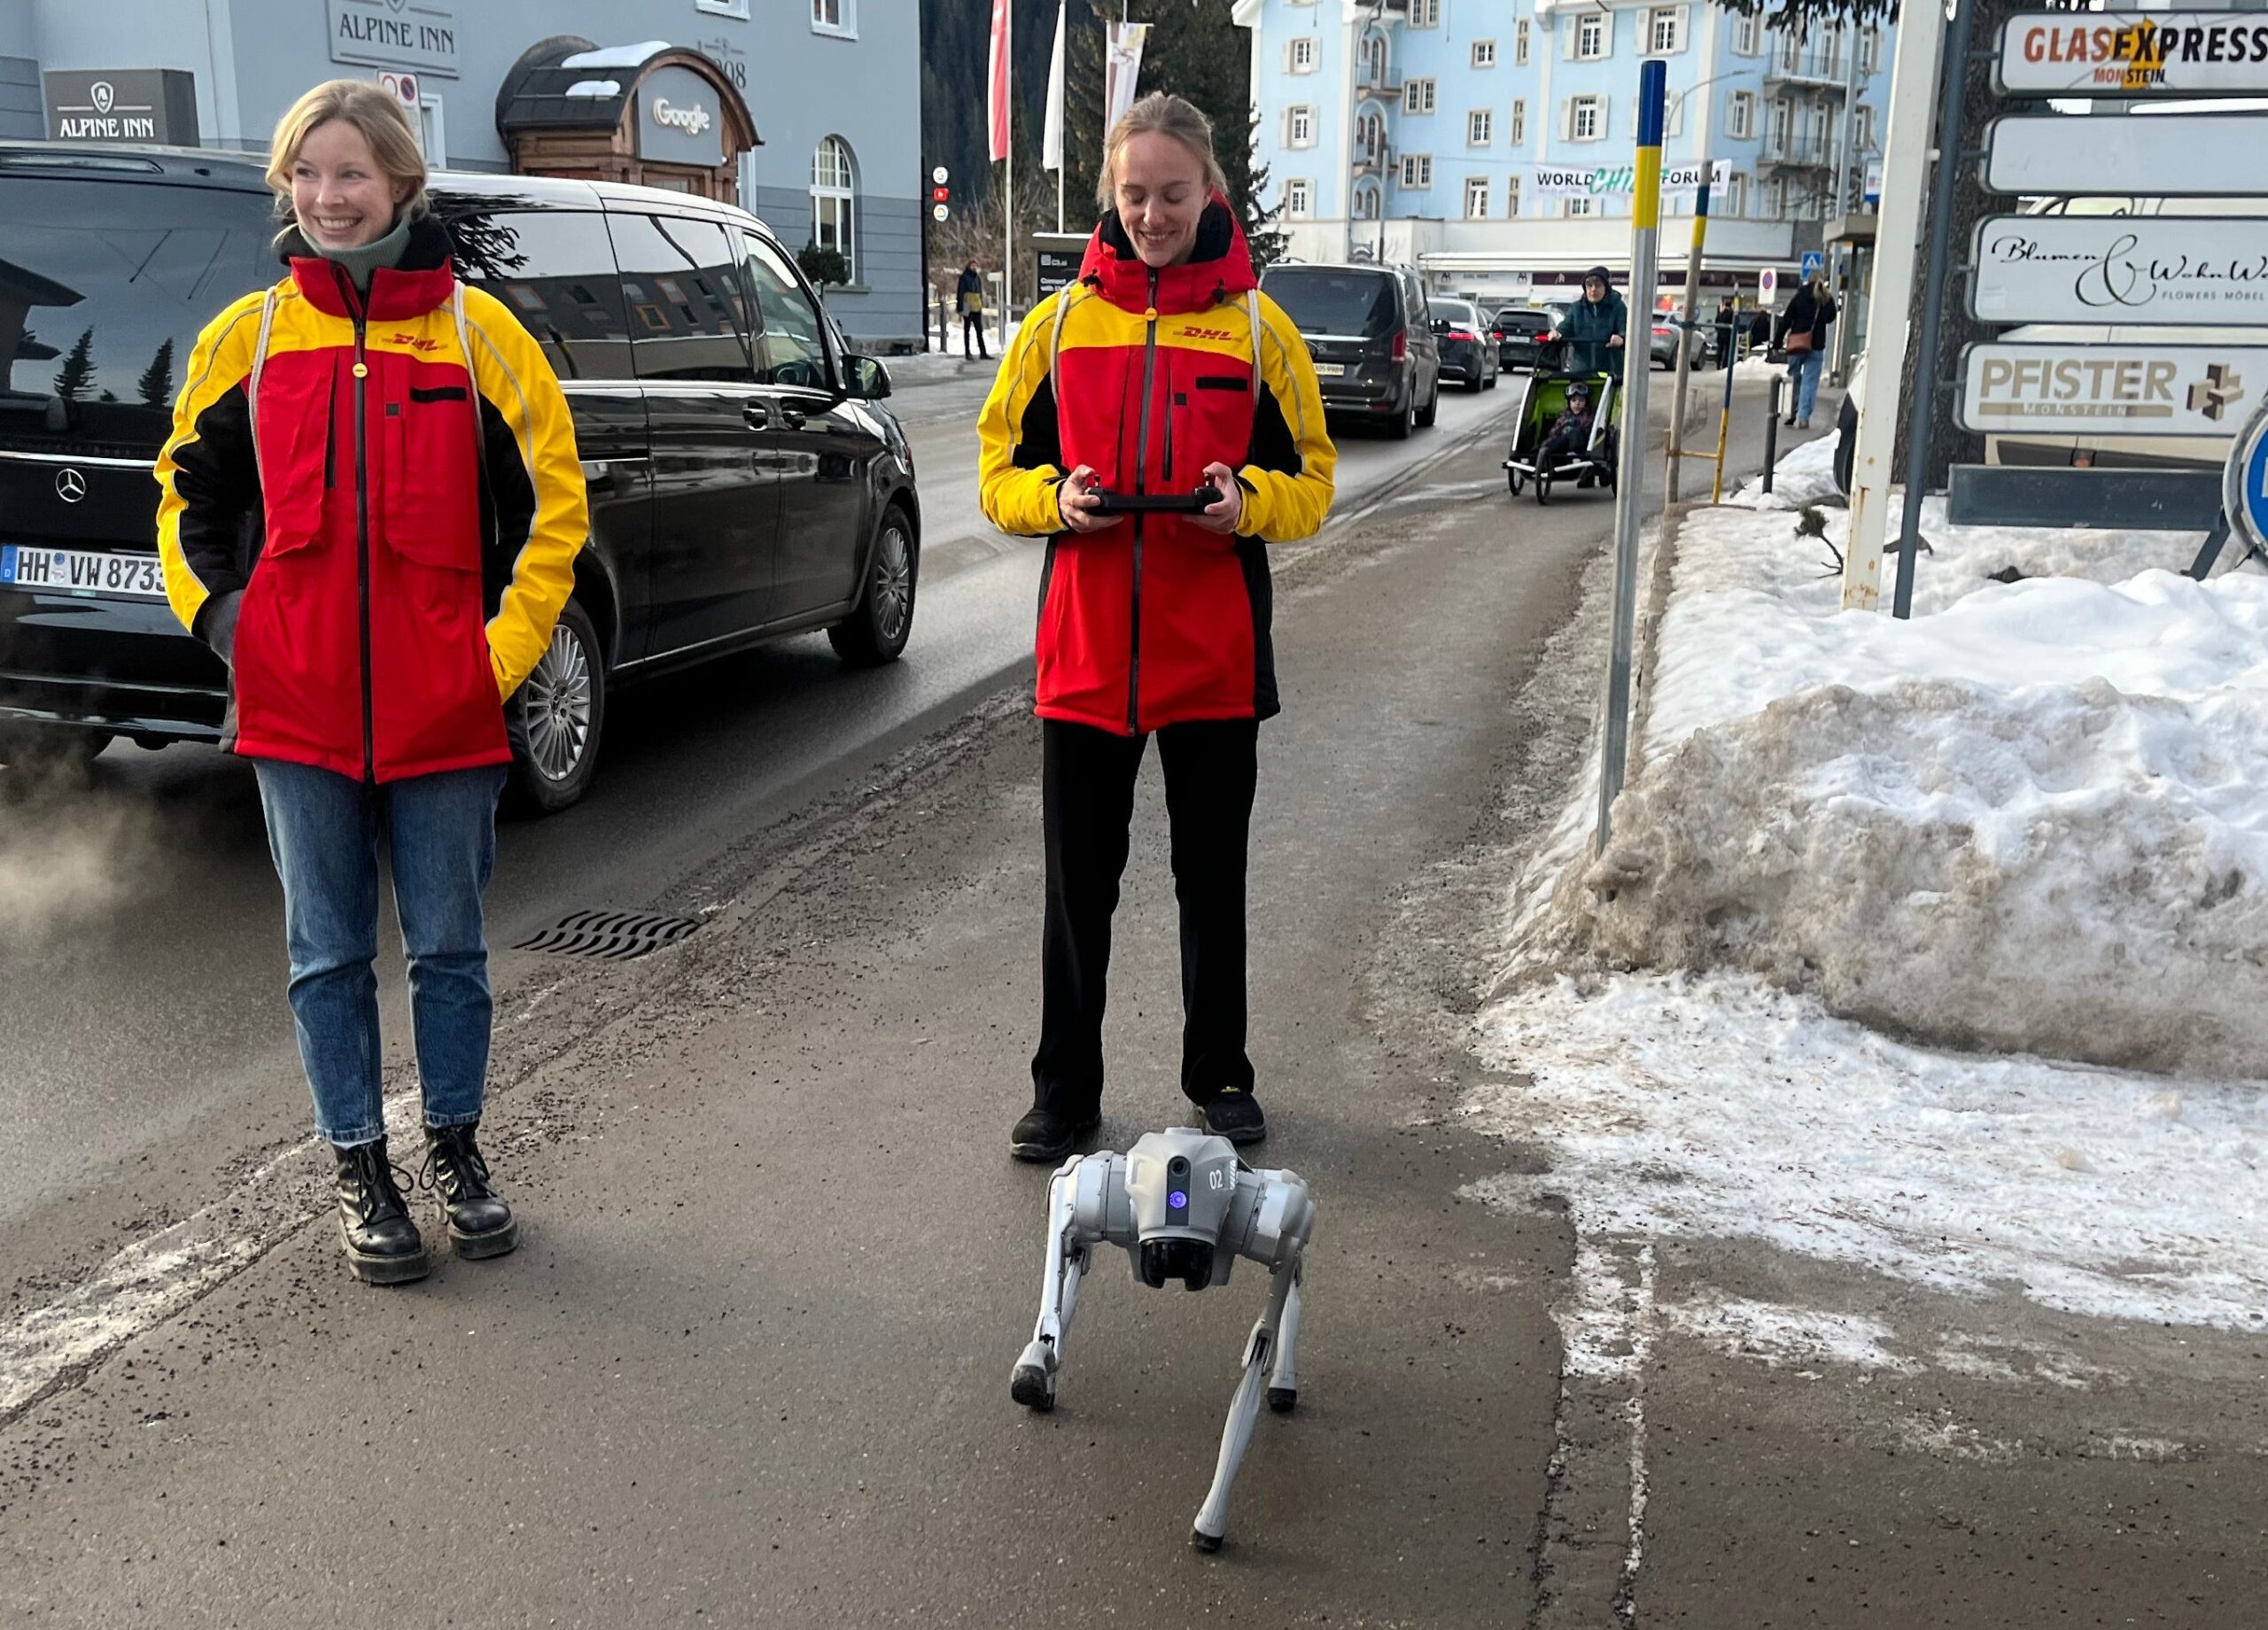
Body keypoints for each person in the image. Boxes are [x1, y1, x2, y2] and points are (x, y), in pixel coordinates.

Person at [154, 81, 587, 1285]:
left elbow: (555, 513)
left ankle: (455, 1148)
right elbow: (183, 498)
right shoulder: (250, 339)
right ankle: (360, 1165)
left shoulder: (475, 336)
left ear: (400, 182)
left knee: (449, 949)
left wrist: (493, 663)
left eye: (349, 174)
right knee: (325, 955)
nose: (327, 198)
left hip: (443, 711)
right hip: (297, 714)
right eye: (306, 174)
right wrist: (234, 627)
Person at [977, 91, 1336, 1162]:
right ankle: (1064, 1090)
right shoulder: (1055, 326)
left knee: (1209, 879)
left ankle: (1219, 1074)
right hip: (1086, 657)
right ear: (1110, 195)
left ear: (1209, 192)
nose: (1151, 213)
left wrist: (1247, 504)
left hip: (1213, 657)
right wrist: (1055, 499)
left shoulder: (1259, 329)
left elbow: (1312, 480)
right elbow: (998, 472)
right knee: (1077, 888)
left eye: (1171, 193)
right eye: (1132, 194)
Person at [1778, 274, 1838, 430]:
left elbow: (1787, 319)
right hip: (1817, 345)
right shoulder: (1826, 298)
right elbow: (1831, 317)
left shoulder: (1800, 295)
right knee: (1809, 383)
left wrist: (1777, 342)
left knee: (1794, 379)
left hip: (1797, 345)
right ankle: (1803, 417)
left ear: (1808, 280)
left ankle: (1791, 412)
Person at [1554, 266, 1626, 380]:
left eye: (1598, 285)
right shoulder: (1576, 309)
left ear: (1606, 287)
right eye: (1589, 285)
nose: (1593, 289)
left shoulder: (1618, 307)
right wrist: (1557, 333)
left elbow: (1626, 331)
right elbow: (1566, 327)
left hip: (1611, 374)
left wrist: (1621, 339)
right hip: (1580, 372)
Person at [1534, 380, 1596, 473]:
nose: (1577, 403)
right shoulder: (1565, 415)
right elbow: (1555, 431)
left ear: (1586, 402)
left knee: (1575, 432)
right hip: (1563, 440)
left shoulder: (1589, 414)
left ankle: (1573, 455)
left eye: (1581, 400)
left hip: (1580, 442)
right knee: (1549, 443)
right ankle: (1541, 456)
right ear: (1569, 402)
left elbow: (1588, 428)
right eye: (1574, 400)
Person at [957, 261, 989, 361]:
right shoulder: (964, 277)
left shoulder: (977, 278)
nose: (974, 267)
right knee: (967, 330)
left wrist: (981, 303)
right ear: (969, 266)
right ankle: (968, 352)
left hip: (976, 306)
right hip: (967, 305)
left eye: (976, 266)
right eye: (973, 265)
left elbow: (979, 292)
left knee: (979, 330)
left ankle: (983, 352)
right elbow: (960, 292)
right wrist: (960, 306)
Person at [1714, 297, 1739, 368]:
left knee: (1720, 349)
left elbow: (1716, 322)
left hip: (1720, 334)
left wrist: (1719, 331)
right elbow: (1735, 322)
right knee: (1727, 351)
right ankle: (1725, 365)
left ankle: (1718, 364)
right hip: (1728, 334)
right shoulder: (1732, 313)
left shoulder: (1720, 313)